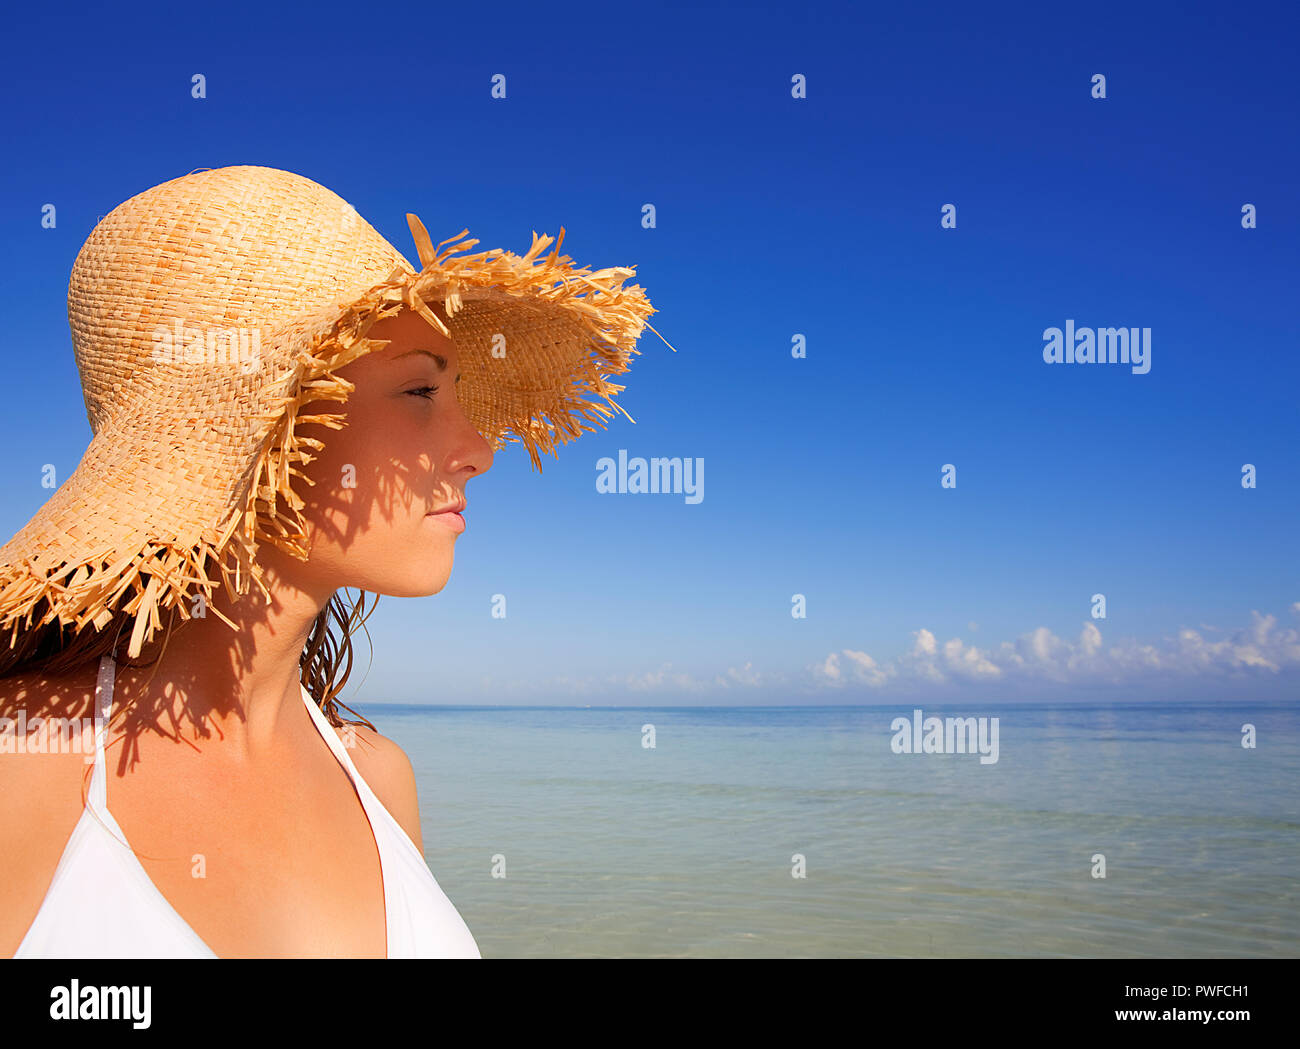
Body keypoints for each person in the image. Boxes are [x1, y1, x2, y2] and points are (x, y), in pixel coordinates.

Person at [0, 165, 665, 958]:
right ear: (266, 424)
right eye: (420, 391)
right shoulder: (27, 762)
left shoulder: (381, 778)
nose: (480, 451)